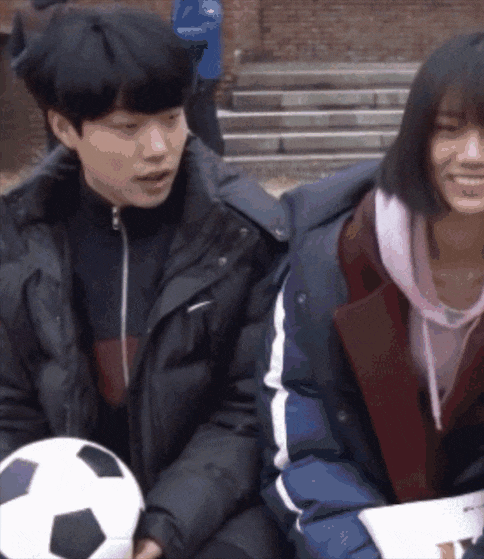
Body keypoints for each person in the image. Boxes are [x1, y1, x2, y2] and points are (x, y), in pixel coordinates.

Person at [257, 31, 484, 559]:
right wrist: (355, 550)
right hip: (363, 529)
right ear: (416, 137)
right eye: (449, 130)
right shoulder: (335, 257)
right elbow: (305, 433)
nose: (472, 156)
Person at [0, 6, 292, 559]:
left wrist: (164, 528)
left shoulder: (242, 236)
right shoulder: (18, 241)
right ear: (64, 128)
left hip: (218, 509)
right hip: (61, 508)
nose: (158, 148)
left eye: (172, 119)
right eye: (128, 129)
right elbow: (9, 410)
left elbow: (246, 411)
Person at [8, 0, 71, 152]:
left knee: (51, 123)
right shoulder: (66, 10)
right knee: (67, 124)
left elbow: (15, 50)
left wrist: (22, 69)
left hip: (37, 79)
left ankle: (53, 156)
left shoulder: (23, 11)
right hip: (63, 78)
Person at [172, 0, 225, 156]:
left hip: (203, 72)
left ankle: (213, 159)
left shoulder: (204, 3)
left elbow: (208, 26)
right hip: (194, 71)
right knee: (193, 121)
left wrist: (171, 37)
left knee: (203, 119)